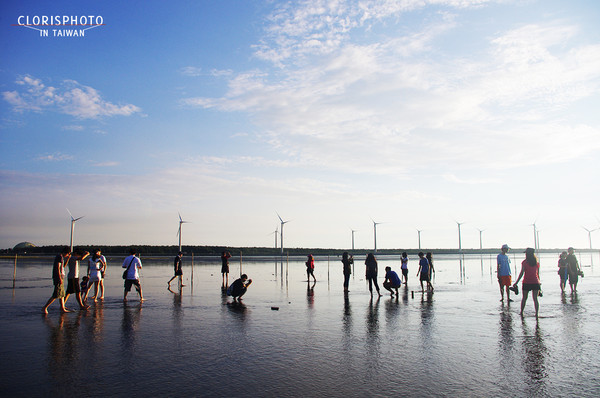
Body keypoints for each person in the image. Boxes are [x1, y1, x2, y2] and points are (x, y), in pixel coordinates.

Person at [42, 247, 72, 314]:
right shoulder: (59, 257)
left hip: (61, 277)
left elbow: (63, 266)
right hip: (58, 277)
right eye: (68, 254)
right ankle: (45, 307)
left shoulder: (61, 257)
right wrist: (59, 278)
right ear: (65, 252)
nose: (68, 255)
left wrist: (68, 259)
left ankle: (62, 308)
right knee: (56, 294)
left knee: (62, 294)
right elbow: (58, 268)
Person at [513, 248, 541, 318]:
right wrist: (539, 283)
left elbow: (522, 273)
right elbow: (537, 274)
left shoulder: (525, 262)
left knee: (524, 298)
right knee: (535, 299)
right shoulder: (536, 263)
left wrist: (516, 282)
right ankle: (537, 314)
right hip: (535, 282)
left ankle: (521, 312)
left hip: (527, 282)